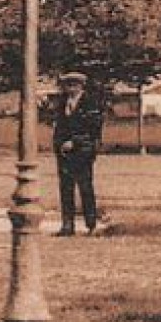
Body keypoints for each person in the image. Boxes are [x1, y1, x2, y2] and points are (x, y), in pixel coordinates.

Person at [50, 72, 106, 236]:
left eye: (74, 85)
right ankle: (67, 225)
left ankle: (91, 224)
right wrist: (59, 144)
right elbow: (59, 126)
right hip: (64, 152)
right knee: (66, 188)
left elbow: (93, 128)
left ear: (81, 86)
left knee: (85, 187)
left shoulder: (90, 103)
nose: (70, 88)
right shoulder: (62, 104)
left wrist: (75, 141)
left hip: (83, 151)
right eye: (68, 85)